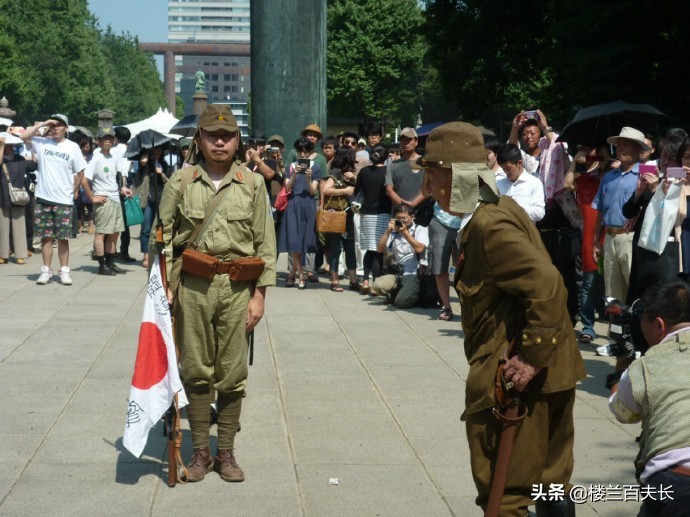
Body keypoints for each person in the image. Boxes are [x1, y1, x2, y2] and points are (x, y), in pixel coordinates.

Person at [421, 121, 585, 516]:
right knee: (550, 487)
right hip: (552, 374)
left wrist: (530, 357)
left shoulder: (489, 223)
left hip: (518, 384)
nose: (428, 189)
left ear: (453, 176)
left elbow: (546, 285)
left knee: (505, 495)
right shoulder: (497, 208)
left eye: (432, 177)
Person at [158, 104, 276, 483]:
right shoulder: (180, 181)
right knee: (195, 370)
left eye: (227, 136)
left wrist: (260, 296)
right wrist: (164, 290)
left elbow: (265, 245)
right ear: (200, 139)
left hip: (238, 288)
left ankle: (226, 453)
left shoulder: (252, 183)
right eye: (212, 135)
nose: (220, 141)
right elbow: (160, 241)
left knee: (232, 372)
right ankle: (200, 454)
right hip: (191, 287)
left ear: (238, 140)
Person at [608, 280, 690, 517]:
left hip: (676, 484)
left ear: (659, 325)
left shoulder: (646, 367)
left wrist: (622, 359)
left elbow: (622, 411)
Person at [21, 114, 87, 285]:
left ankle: (64, 271)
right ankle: (46, 270)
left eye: (59, 125)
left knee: (63, 238)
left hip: (63, 199)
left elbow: (80, 172)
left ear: (66, 128)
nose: (55, 128)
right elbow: (23, 136)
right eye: (53, 125)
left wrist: (73, 190)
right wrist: (42, 124)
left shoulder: (72, 147)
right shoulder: (42, 143)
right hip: (43, 197)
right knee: (46, 237)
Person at [592, 127, 650, 303]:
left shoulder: (647, 173)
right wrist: (595, 240)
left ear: (638, 149)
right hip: (609, 238)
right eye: (619, 146)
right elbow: (601, 210)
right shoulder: (609, 177)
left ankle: (635, 330)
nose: (621, 149)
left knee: (635, 291)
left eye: (626, 145)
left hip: (631, 238)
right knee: (612, 294)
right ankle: (615, 330)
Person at [564, 143, 612, 343]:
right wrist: (576, 160)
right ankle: (588, 326)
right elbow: (567, 184)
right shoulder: (585, 180)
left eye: (603, 156)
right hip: (590, 237)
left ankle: (617, 328)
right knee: (588, 284)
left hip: (612, 237)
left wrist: (611, 162)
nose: (599, 160)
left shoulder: (616, 178)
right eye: (596, 157)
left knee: (613, 287)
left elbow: (650, 171)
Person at [80, 128, 130, 276]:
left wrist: (123, 188)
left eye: (110, 138)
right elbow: (84, 179)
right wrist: (92, 197)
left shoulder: (113, 157)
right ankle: (102, 265)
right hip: (104, 199)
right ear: (99, 142)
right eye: (104, 139)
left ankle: (110, 262)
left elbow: (116, 178)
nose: (107, 141)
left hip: (115, 198)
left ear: (114, 140)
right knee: (101, 233)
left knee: (114, 233)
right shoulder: (96, 158)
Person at [277, 137, 322, 289]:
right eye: (300, 151)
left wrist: (309, 178)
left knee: (304, 240)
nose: (303, 154)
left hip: (307, 203)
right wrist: (295, 174)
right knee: (294, 240)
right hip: (293, 203)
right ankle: (301, 275)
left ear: (310, 152)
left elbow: (313, 190)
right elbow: (288, 188)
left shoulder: (315, 167)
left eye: (306, 151)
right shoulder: (291, 166)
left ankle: (292, 275)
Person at [371, 203, 429, 308]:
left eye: (404, 218)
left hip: (414, 274)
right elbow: (380, 249)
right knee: (377, 285)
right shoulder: (393, 232)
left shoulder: (420, 229)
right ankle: (400, 293)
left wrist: (405, 233)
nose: (401, 221)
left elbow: (419, 248)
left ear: (413, 217)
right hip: (398, 273)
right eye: (398, 218)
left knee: (401, 302)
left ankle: (416, 295)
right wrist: (388, 231)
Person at [355, 144, 391, 294]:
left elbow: (357, 190)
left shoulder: (363, 172)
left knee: (369, 250)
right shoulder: (389, 172)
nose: (375, 153)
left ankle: (365, 280)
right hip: (383, 213)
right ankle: (376, 284)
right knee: (378, 250)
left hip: (366, 213)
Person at [322, 147, 358, 291]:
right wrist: (345, 190)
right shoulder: (336, 172)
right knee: (336, 249)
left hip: (348, 215)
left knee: (350, 249)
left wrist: (354, 178)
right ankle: (335, 280)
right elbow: (326, 190)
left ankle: (353, 280)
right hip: (335, 215)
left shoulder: (351, 174)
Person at [132, 144, 171, 268]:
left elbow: (169, 182)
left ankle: (158, 253)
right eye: (155, 149)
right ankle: (146, 255)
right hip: (148, 199)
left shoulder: (165, 164)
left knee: (159, 228)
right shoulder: (146, 165)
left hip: (161, 199)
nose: (158, 151)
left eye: (160, 149)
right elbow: (142, 162)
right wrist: (146, 156)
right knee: (146, 228)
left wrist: (162, 174)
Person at [0, 132, 36, 265]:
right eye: (6, 145)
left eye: (10, 145)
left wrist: (33, 147)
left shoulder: (20, 159)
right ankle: (3, 254)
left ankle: (20, 254)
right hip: (2, 196)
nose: (9, 148)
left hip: (18, 196)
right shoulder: (1, 159)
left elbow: (33, 165)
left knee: (19, 226)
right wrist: (1, 145)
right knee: (2, 228)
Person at [428, 201, 461, 320]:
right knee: (439, 268)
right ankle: (447, 307)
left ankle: (468, 306)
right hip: (440, 220)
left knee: (465, 269)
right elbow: (426, 190)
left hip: (465, 221)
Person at [495, 144, 545, 222]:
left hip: (524, 231)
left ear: (520, 163)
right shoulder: (498, 184)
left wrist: (517, 206)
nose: (506, 172)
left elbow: (539, 213)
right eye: (503, 169)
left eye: (508, 168)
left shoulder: (534, 183)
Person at [384, 127, 424, 210]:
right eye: (403, 140)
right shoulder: (392, 165)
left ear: (416, 142)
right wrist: (404, 207)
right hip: (399, 212)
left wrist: (414, 203)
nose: (405, 143)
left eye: (408, 140)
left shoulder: (425, 163)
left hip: (422, 211)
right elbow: (389, 190)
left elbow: (429, 188)